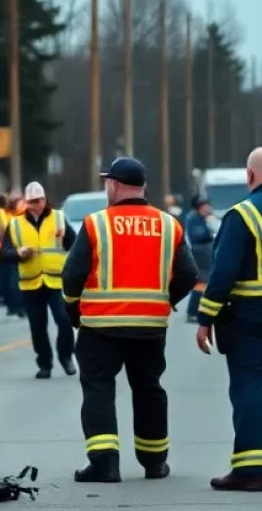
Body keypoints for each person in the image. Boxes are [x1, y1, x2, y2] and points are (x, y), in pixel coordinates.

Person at [62, 157, 197, 483]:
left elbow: (72, 275)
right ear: (143, 187)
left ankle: (105, 464)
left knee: (98, 388)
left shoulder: (96, 224)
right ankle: (154, 462)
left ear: (113, 185)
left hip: (100, 327)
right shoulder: (169, 225)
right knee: (149, 389)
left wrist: (73, 311)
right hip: (150, 327)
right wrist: (164, 301)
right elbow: (189, 274)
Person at [195, 147, 262, 491]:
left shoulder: (244, 215)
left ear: (250, 176)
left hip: (252, 314)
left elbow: (223, 274)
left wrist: (205, 317)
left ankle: (251, 468)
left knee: (250, 385)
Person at [0, 181, 76, 378]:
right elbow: (4, 253)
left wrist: (65, 236)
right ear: (26, 202)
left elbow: (73, 245)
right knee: (37, 326)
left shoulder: (59, 218)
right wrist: (18, 252)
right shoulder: (16, 225)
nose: (37, 205)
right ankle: (44, 364)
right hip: (31, 282)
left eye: (40, 200)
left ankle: (66, 357)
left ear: (45, 199)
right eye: (32, 201)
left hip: (56, 281)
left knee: (64, 320)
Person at [184, 195, 214, 322]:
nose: (208, 207)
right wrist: (209, 233)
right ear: (199, 207)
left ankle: (195, 310)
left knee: (203, 283)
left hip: (204, 254)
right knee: (201, 283)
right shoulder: (194, 219)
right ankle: (192, 311)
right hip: (199, 254)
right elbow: (198, 236)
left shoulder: (200, 218)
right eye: (205, 205)